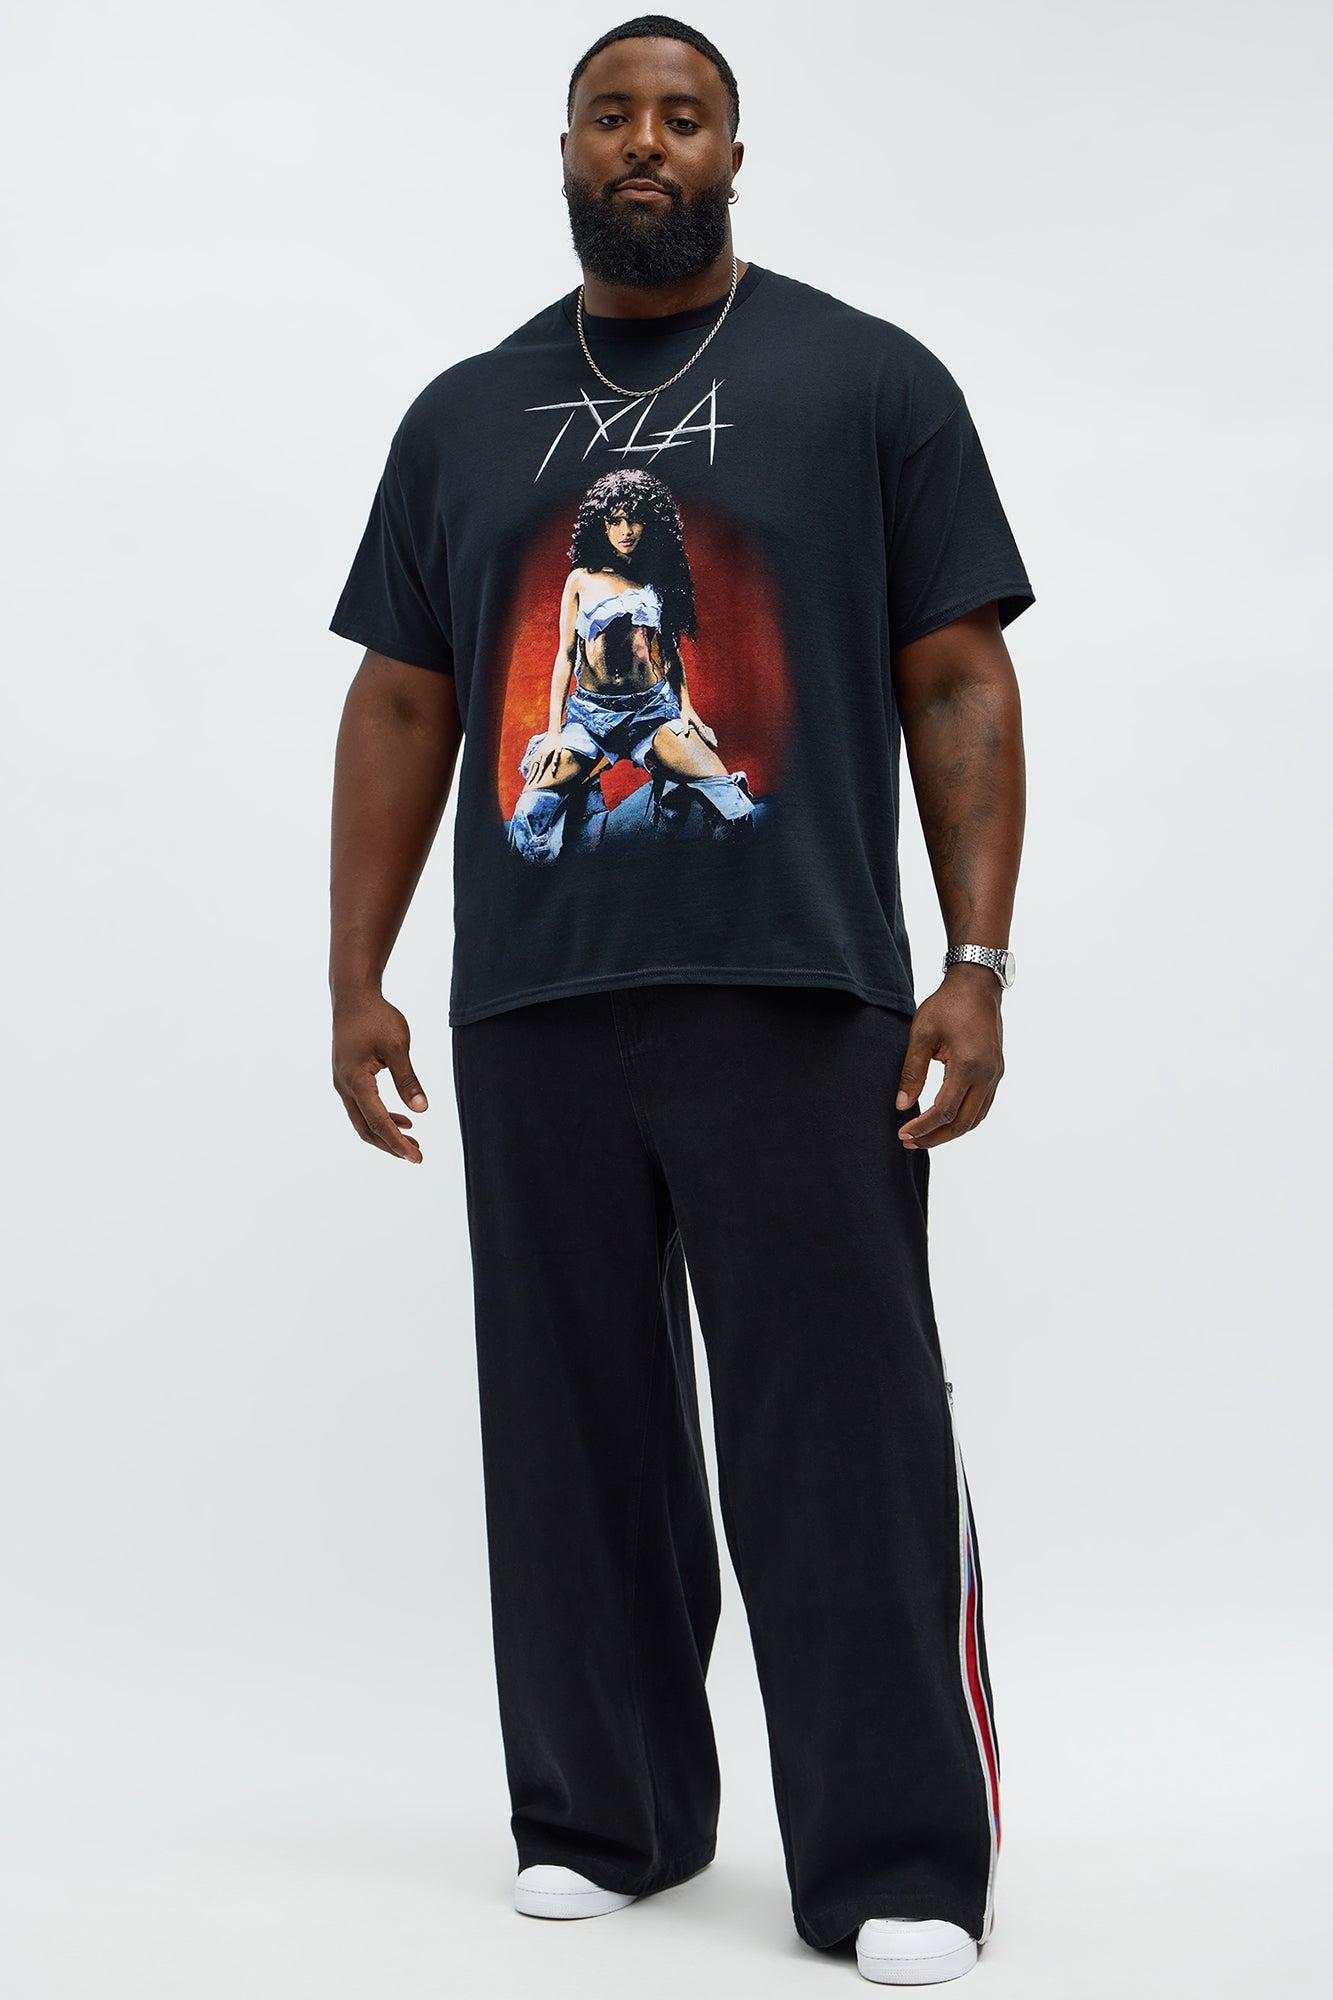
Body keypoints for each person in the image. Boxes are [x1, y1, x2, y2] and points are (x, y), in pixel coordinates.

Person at [328, 15, 1032, 1987]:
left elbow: (956, 676)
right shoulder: (463, 418)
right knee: (572, 1434)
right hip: (533, 993)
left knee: (840, 1429)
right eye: (612, 113)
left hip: (796, 986)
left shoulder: (864, 381)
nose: (646, 141)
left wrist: (973, 963)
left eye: (684, 114)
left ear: (733, 148)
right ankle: (605, 1815)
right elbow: (404, 699)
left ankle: (895, 1856)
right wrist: (354, 977)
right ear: (563, 147)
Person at [508, 465, 756, 862]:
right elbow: (565, 655)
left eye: (635, 520)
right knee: (530, 818)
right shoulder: (581, 579)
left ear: (650, 524)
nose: (626, 530)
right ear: (601, 525)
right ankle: (586, 801)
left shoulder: (657, 579)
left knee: (734, 808)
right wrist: (554, 732)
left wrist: (687, 709)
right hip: (591, 718)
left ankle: (673, 793)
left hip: (651, 712)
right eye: (616, 520)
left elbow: (670, 654)